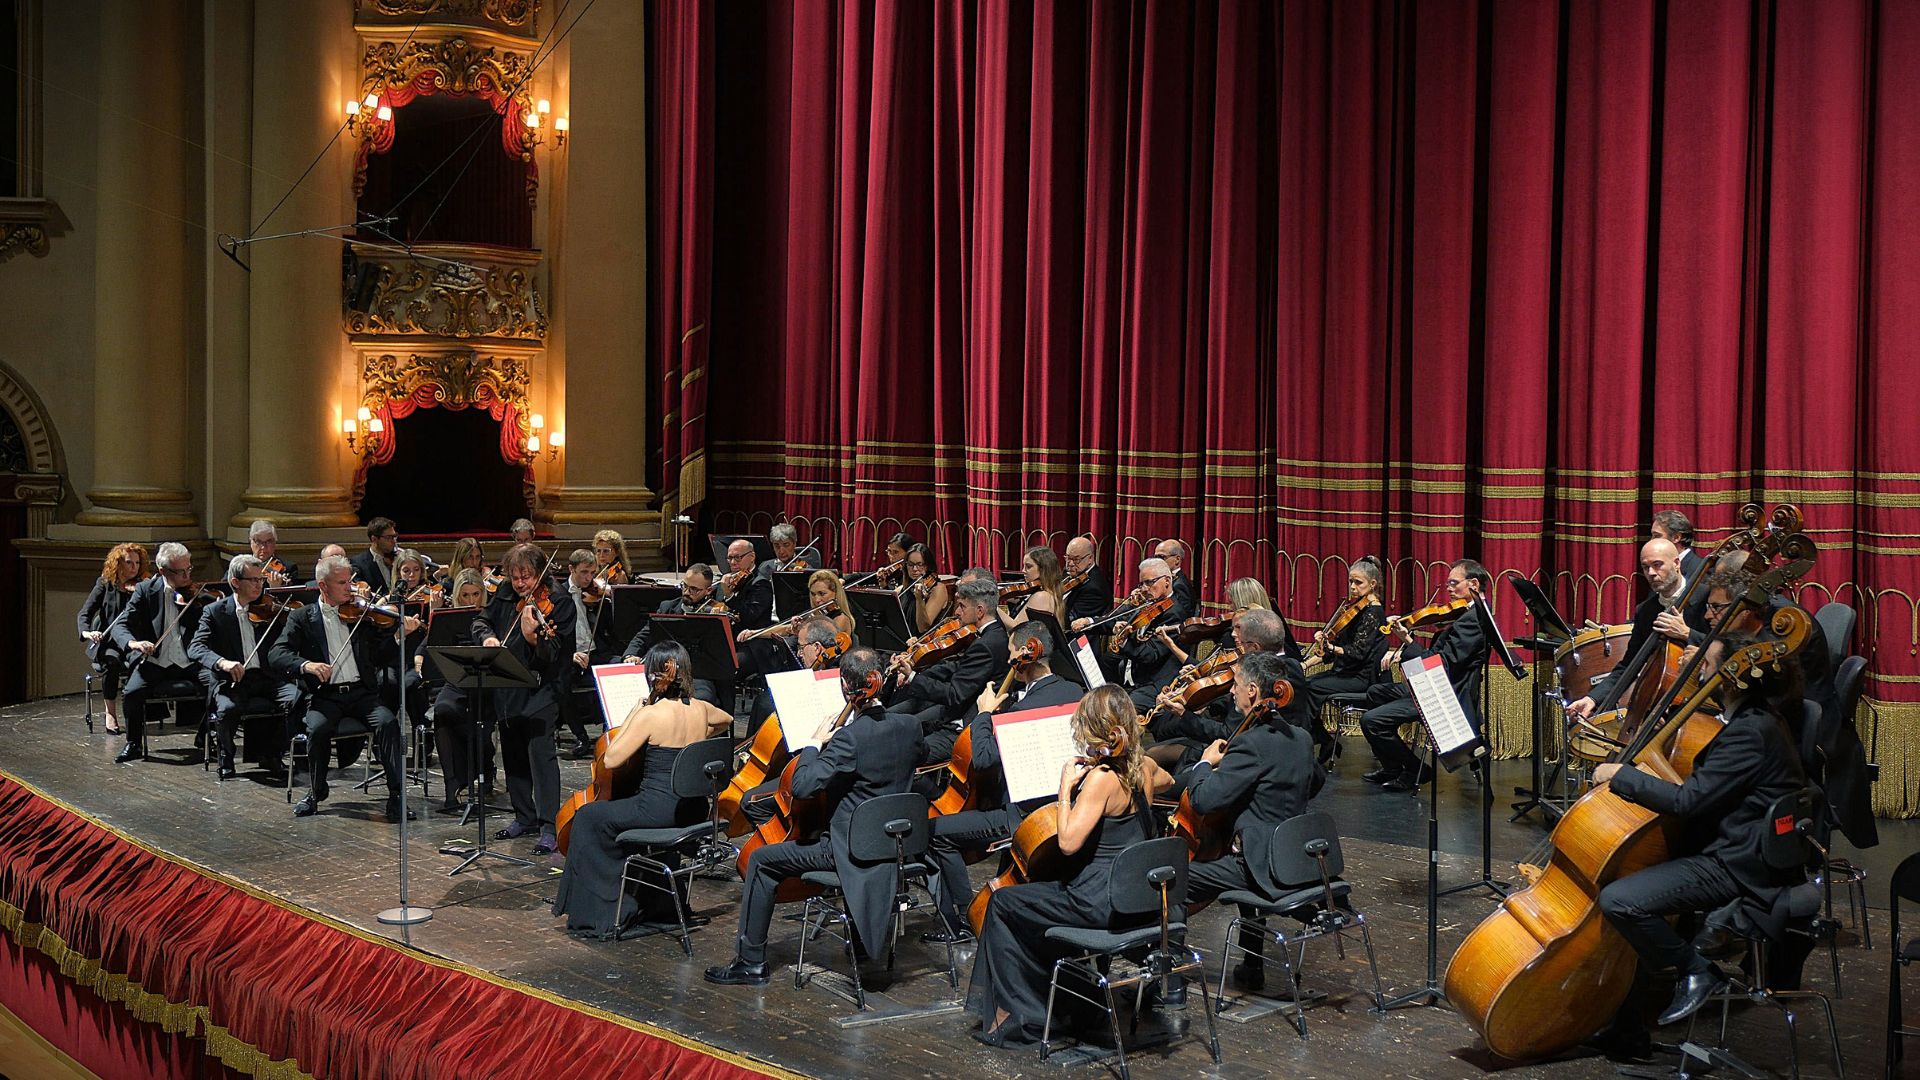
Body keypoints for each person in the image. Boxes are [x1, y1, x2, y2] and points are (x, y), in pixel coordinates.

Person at [1591, 630, 1808, 1050]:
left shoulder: (1750, 732)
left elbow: (1688, 801)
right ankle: (1627, 1028)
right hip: (1733, 846)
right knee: (1637, 886)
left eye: (1707, 665)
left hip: (1737, 863)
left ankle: (1698, 971)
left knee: (1620, 900)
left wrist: (1623, 776)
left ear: (1732, 678)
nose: (1700, 673)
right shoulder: (1759, 719)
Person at [704, 648, 924, 986]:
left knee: (761, 860)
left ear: (846, 687)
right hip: (895, 845)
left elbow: (804, 786)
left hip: (849, 851)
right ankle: (862, 947)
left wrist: (814, 744)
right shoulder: (910, 727)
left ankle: (750, 962)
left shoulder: (849, 739)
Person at [967, 685, 1171, 1049]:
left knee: (1003, 904)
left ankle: (1025, 1014)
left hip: (1096, 902)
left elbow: (1068, 842)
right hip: (1134, 896)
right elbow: (1167, 780)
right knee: (1030, 908)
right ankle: (1065, 1001)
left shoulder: (1102, 780)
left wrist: (1064, 791)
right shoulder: (1144, 767)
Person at [550, 642, 733, 938]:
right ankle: (647, 898)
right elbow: (727, 720)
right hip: (692, 810)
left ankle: (608, 910)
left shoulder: (651, 715)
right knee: (616, 811)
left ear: (654, 675)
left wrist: (635, 714)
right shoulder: (701, 708)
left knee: (588, 817)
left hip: (657, 812)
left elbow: (611, 758)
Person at [922, 622, 1085, 940]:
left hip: (1024, 816)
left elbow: (983, 758)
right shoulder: (1074, 691)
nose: (1010, 662)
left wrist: (984, 713)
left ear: (1026, 653)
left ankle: (962, 919)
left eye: (1012, 654)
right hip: (1062, 809)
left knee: (934, 833)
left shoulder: (1024, 710)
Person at [1178, 650, 1323, 990]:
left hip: (1262, 866)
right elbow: (1314, 782)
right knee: (1241, 849)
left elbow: (1203, 800)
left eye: (1237, 684)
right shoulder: (1302, 738)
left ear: (1253, 691)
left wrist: (1204, 764)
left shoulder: (1250, 744)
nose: (1232, 691)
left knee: (1172, 880)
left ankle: (1170, 979)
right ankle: (1252, 963)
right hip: (1297, 859)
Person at [269, 554, 411, 822]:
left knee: (388, 723)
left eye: (350, 581)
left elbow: (379, 656)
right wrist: (307, 665)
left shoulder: (360, 614)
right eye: (342, 583)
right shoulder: (302, 617)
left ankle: (396, 796)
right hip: (325, 696)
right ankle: (316, 790)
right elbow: (277, 654)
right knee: (317, 729)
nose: (350, 588)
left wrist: (397, 636)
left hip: (361, 694)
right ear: (323, 586)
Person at [474, 542, 577, 855]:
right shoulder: (505, 592)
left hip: (542, 689)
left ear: (540, 573)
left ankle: (549, 826)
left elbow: (555, 653)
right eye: (515, 576)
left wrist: (533, 638)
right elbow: (481, 621)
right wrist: (488, 638)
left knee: (541, 757)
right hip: (507, 686)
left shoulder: (559, 601)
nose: (520, 583)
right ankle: (524, 817)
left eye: (526, 577)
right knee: (513, 754)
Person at [1358, 559, 1490, 791]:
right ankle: (1392, 767)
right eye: (1448, 584)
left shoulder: (1473, 620)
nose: (1448, 589)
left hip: (1444, 694)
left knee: (1371, 721)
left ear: (1474, 584)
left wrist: (1407, 642)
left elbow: (1440, 665)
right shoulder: (1466, 613)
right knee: (1376, 692)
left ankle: (1414, 769)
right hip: (1436, 683)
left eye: (1454, 583)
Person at [106, 542, 216, 764]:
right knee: (131, 693)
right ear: (163, 571)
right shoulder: (146, 591)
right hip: (156, 662)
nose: (187, 576)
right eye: (180, 571)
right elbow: (120, 625)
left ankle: (205, 735)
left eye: (189, 569)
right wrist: (133, 643)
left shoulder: (196, 595)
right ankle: (134, 743)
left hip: (189, 662)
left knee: (219, 685)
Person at [189, 554, 297, 778]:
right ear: (235, 582)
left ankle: (272, 754)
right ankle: (226, 759)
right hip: (232, 680)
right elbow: (196, 647)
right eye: (253, 580)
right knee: (227, 709)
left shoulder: (269, 609)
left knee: (298, 700)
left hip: (266, 677)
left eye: (261, 580)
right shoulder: (215, 612)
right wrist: (222, 662)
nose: (259, 585)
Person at [1563, 539, 1694, 722]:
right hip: (1660, 708)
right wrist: (1592, 699)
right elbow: (1628, 666)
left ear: (1677, 563)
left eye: (1657, 565)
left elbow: (1725, 646)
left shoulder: (1705, 596)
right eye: (1645, 567)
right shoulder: (1645, 611)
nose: (1651, 573)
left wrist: (1687, 634)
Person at [889, 572, 1010, 764]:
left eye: (962, 606)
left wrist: (912, 677)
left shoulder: (986, 645)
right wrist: (917, 667)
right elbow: (959, 666)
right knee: (893, 720)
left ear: (979, 611)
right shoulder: (993, 635)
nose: (957, 612)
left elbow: (954, 694)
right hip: (955, 709)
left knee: (900, 749)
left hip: (962, 724)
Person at [622, 563, 726, 707]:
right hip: (663, 671)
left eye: (694, 589)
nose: (686, 592)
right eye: (685, 586)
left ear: (708, 590)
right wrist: (630, 654)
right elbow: (644, 635)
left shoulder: (715, 614)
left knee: (701, 699)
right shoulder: (667, 607)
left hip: (697, 675)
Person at [77, 541, 149, 736]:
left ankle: (137, 712)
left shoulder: (142, 587)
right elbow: (85, 613)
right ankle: (110, 713)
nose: (134, 567)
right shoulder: (105, 584)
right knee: (112, 662)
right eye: (129, 562)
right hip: (110, 642)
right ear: (118, 563)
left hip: (133, 640)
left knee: (142, 662)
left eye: (137, 563)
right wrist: (87, 633)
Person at [563, 548, 627, 757]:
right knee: (561, 683)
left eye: (592, 573)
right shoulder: (558, 594)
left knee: (622, 668)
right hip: (571, 655)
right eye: (584, 572)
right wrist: (570, 654)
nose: (588, 578)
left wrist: (605, 601)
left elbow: (610, 628)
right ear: (571, 569)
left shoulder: (594, 594)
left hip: (595, 653)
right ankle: (581, 736)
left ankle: (608, 734)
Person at [1305, 558, 1389, 709]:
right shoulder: (1357, 609)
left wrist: (1331, 647)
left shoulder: (1373, 613)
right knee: (1303, 684)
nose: (1352, 587)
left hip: (1360, 677)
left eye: (1358, 582)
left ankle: (1311, 725)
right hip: (1345, 673)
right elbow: (1338, 647)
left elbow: (1357, 653)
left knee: (1310, 687)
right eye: (1351, 582)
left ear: (1372, 584)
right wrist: (1305, 664)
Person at [1111, 558, 1183, 714]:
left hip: (1156, 684)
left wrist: (1125, 641)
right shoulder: (1147, 604)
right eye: (1142, 584)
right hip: (1134, 677)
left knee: (1118, 712)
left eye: (1149, 582)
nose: (1144, 589)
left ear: (1167, 581)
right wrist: (1122, 629)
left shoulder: (1174, 614)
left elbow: (1151, 655)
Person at [999, 545, 1065, 628]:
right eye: (1023, 566)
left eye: (1028, 566)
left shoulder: (1042, 596)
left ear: (1043, 569)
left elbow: (1016, 627)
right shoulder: (1040, 592)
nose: (1023, 571)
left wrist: (991, 605)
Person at [717, 538, 773, 634]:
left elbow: (749, 617)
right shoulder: (726, 580)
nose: (733, 562)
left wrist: (730, 596)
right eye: (730, 558)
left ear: (752, 557)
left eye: (737, 557)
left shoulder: (760, 583)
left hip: (751, 638)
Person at [900, 543, 951, 636]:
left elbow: (923, 627)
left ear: (928, 566)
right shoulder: (904, 588)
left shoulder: (938, 588)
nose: (915, 569)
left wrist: (920, 600)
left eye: (920, 564)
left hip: (923, 642)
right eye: (910, 564)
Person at [349, 517, 401, 598]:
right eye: (388, 537)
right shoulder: (358, 563)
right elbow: (359, 588)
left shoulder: (399, 558)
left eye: (394, 536)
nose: (394, 541)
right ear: (374, 539)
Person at [1651, 509, 1704, 584]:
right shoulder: (1656, 568)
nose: (1652, 541)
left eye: (1657, 536)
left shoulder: (1701, 570)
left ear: (1676, 538)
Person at [1154, 538, 1198, 622]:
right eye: (1155, 557)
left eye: (1161, 557)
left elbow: (1181, 616)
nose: (1157, 562)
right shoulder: (1167, 579)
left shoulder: (1179, 585)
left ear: (1177, 559)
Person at [248, 519, 294, 587]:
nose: (263, 547)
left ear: (275, 542)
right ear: (251, 542)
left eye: (268, 542)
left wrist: (276, 589)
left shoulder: (289, 568)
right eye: (258, 542)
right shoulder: (240, 566)